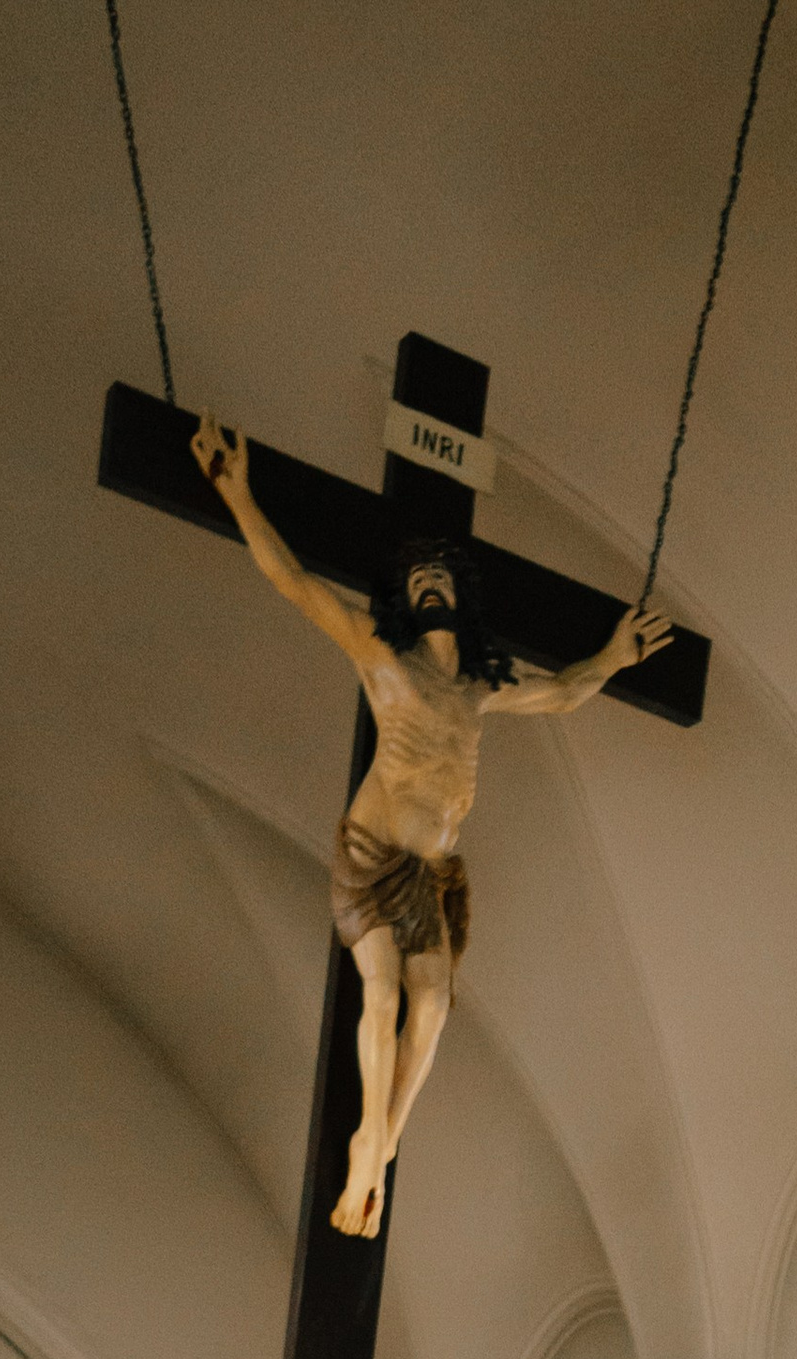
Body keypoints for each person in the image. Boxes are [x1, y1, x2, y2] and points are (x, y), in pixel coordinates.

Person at [189, 417, 671, 1239]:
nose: (428, 583)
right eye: (416, 579)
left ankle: (381, 1151)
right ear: (402, 602)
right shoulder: (381, 657)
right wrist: (236, 490)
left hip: (436, 873)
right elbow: (295, 582)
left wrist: (614, 660)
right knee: (380, 997)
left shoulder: (479, 691)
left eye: (440, 576)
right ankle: (365, 1144)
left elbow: (560, 693)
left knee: (436, 1005)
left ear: (461, 596)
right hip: (375, 857)